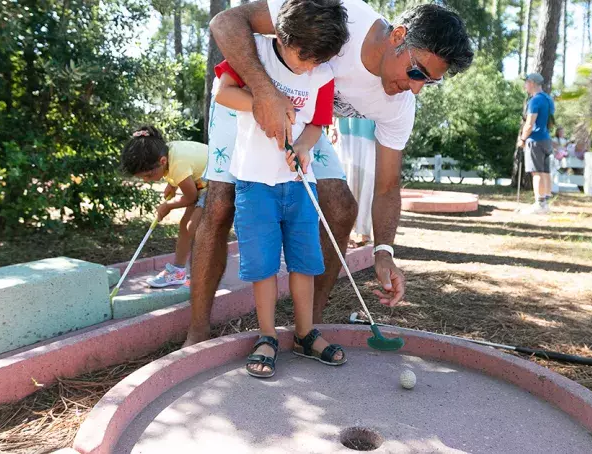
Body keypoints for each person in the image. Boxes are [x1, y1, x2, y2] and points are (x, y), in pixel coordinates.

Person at [185, 0, 474, 347]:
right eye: (417, 72)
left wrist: (384, 252)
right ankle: (197, 330)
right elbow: (227, 21)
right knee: (219, 204)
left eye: (429, 82)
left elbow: (387, 186)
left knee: (340, 208)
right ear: (399, 36)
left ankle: (307, 329)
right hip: (248, 96)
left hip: (307, 123)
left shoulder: (399, 107)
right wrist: (263, 91)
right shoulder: (337, 12)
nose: (415, 88)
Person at [212, 0, 348, 378]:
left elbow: (318, 122)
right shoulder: (254, 54)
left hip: (299, 183)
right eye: (304, 57)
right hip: (255, 182)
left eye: (318, 60)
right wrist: (266, 99)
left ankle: (304, 334)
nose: (310, 67)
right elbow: (223, 93)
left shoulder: (322, 73)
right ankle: (268, 336)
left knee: (305, 261)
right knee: (263, 264)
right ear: (282, 36)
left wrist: (303, 146)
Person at [120, 126, 207, 288]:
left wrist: (168, 206)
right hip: (203, 182)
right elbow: (184, 170)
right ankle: (178, 272)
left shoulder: (177, 164)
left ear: (162, 161)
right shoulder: (167, 152)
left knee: (193, 226)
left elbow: (191, 197)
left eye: (148, 175)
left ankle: (206, 273)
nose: (146, 180)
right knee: (186, 227)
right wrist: (172, 185)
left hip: (219, 183)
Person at [516, 73, 556, 215]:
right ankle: (545, 203)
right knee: (545, 172)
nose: (525, 85)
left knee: (536, 172)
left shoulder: (534, 101)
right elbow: (550, 122)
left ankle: (539, 204)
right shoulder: (548, 99)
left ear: (532, 83)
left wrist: (522, 139)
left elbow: (529, 123)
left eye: (526, 82)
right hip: (546, 138)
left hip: (535, 140)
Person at [336, 117, 377, 246]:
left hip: (369, 122)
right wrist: (332, 125)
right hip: (345, 123)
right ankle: (345, 233)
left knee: (368, 177)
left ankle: (365, 231)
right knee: (346, 176)